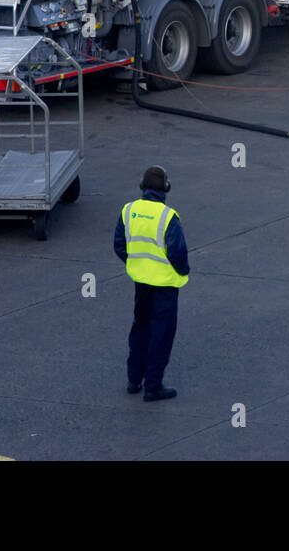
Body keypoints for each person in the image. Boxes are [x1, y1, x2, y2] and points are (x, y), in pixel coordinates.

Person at [114, 165, 189, 402]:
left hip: (141, 281)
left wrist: (136, 263)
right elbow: (178, 253)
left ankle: (133, 380)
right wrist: (183, 271)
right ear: (166, 187)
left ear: (142, 186)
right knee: (161, 332)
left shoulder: (129, 211)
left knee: (140, 327)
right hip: (165, 284)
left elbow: (119, 245)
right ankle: (154, 386)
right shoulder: (168, 216)